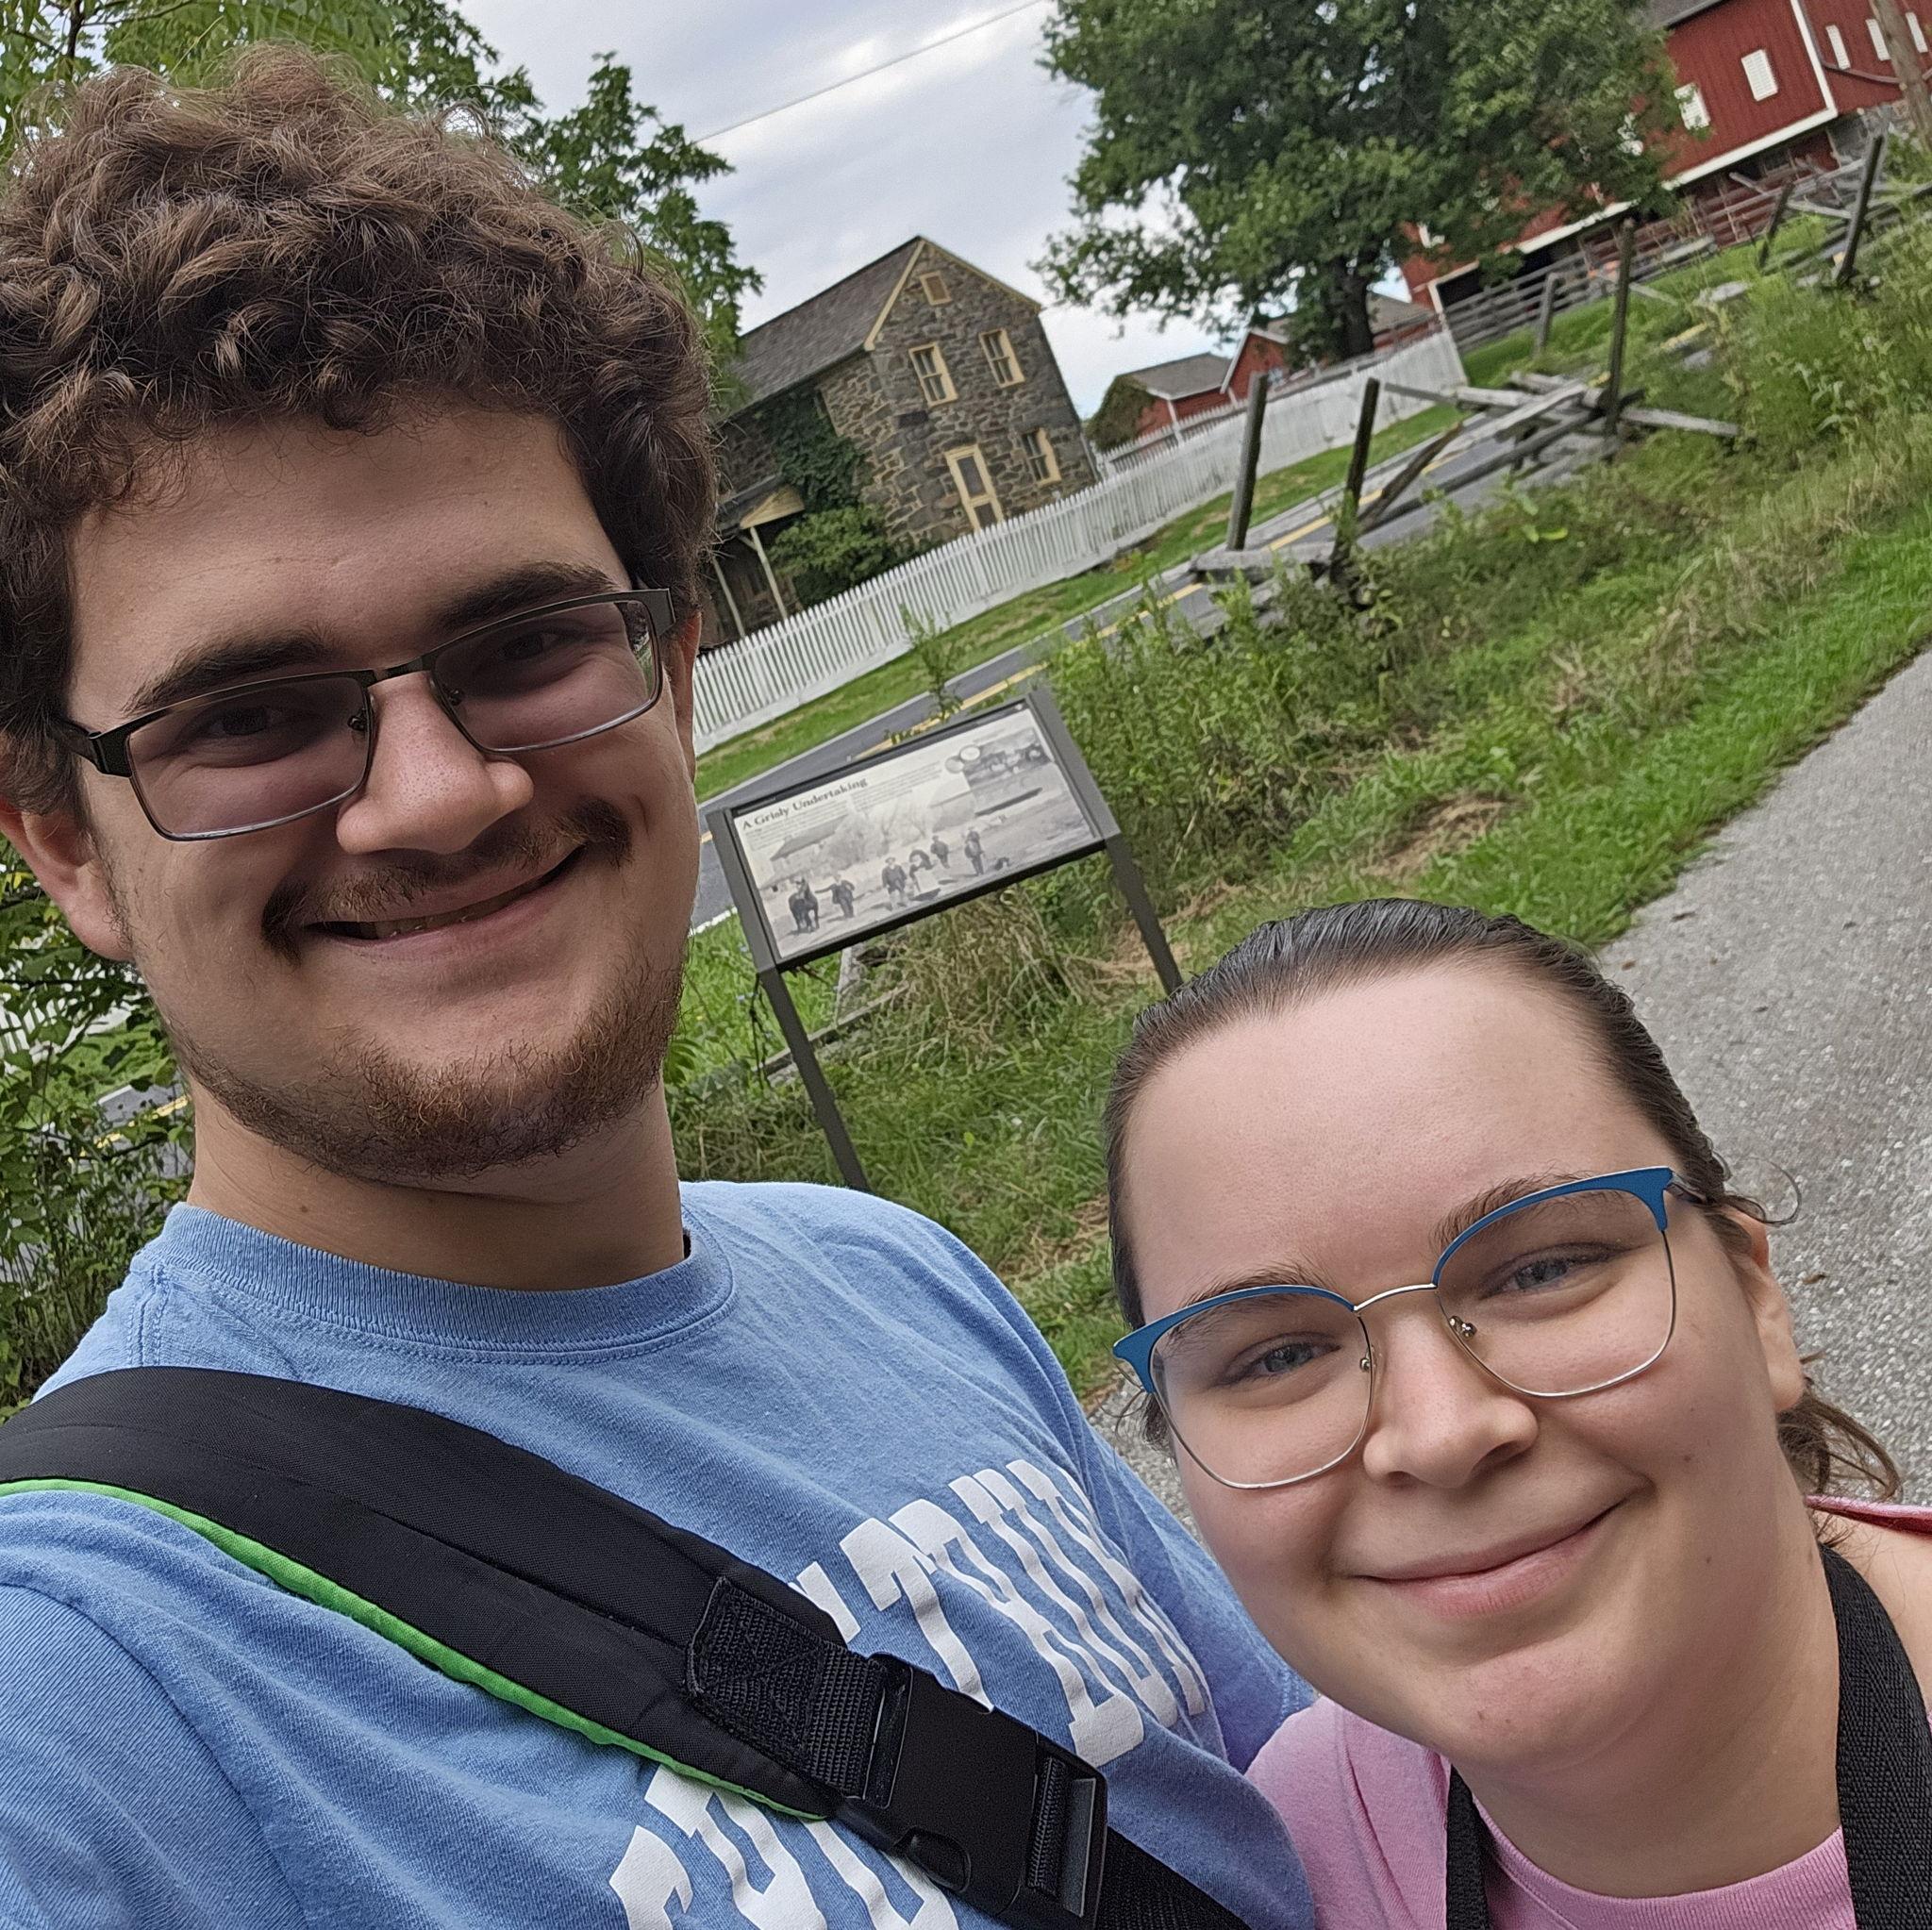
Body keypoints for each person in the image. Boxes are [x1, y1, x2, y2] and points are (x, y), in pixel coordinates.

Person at [0, 55, 1314, 1928]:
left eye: (523, 642)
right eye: (250, 714)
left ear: (672, 674)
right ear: (63, 839)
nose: (437, 794)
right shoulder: (76, 1692)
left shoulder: (899, 1280)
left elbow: (1336, 1828)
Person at [1105, 898, 1932, 1928]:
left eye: (1543, 1269)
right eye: (1277, 1356)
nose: (1442, 1434)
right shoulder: (1292, 1862)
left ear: (1755, 1300)